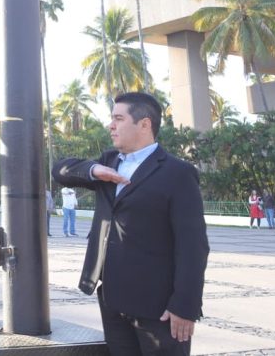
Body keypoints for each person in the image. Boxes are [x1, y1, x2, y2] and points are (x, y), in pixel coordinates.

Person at [53, 92, 209, 355]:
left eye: (118, 118)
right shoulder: (108, 163)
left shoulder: (178, 173)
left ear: (144, 124)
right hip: (113, 300)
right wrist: (94, 170)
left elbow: (193, 247)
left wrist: (185, 306)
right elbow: (60, 170)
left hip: (158, 307)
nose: (111, 125)